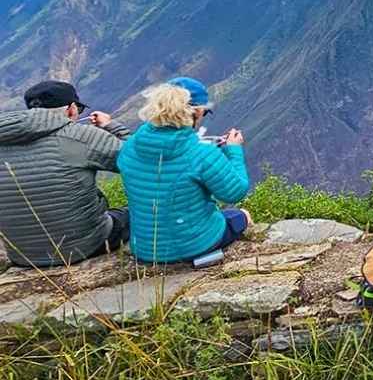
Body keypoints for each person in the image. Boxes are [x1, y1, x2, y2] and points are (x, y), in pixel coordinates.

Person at [117, 77, 251, 264]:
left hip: (144, 249)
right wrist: (234, 151)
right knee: (239, 216)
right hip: (194, 246)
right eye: (204, 112)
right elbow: (235, 192)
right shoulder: (201, 153)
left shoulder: (130, 147)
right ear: (195, 113)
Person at [0, 81, 131, 267]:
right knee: (135, 212)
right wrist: (112, 126)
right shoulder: (80, 135)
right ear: (70, 109)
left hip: (23, 256)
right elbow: (141, 161)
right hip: (84, 247)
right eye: (78, 108)